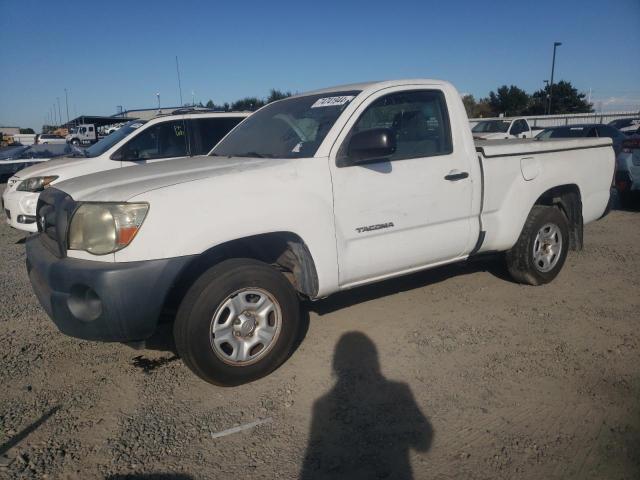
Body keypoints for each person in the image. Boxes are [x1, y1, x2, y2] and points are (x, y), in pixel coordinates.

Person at [301, 332, 433, 480]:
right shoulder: (399, 390)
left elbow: (315, 460)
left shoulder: (321, 405)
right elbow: (424, 443)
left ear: (336, 363)